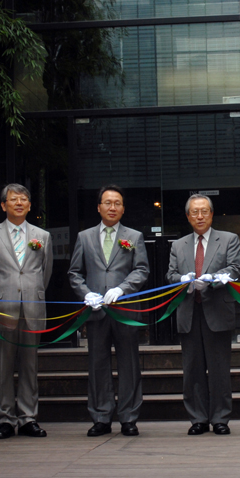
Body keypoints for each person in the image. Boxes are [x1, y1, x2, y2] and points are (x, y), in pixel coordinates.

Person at [68, 185, 150, 437]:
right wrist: (85, 294)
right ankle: (101, 417)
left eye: (117, 203)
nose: (112, 207)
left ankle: (128, 417)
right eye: (107, 202)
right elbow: (74, 273)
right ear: (99, 207)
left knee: (129, 364)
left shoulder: (134, 236)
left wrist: (123, 288)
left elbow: (141, 270)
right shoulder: (84, 236)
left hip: (124, 309)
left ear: (123, 208)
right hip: (95, 312)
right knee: (98, 364)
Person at [0, 184, 54, 440]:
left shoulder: (42, 236)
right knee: (4, 365)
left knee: (30, 366)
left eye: (23, 199)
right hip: (3, 309)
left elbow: (46, 273)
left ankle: (28, 417)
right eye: (13, 199)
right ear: (3, 205)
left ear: (30, 205)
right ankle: (6, 418)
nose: (18, 203)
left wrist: (30, 293)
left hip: (32, 307)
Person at [166, 194, 240, 435]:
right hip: (189, 311)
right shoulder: (178, 245)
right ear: (188, 216)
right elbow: (170, 276)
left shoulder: (229, 239)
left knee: (219, 369)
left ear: (211, 214)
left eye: (204, 211)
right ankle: (197, 418)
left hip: (217, 310)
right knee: (193, 370)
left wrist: (212, 280)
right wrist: (182, 280)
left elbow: (235, 268)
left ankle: (220, 418)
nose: (200, 216)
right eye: (195, 212)